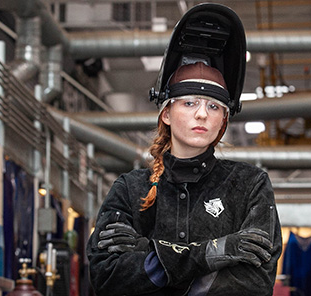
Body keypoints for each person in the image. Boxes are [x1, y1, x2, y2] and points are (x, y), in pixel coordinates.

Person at [86, 3, 282, 296]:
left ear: (223, 120)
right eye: (189, 103)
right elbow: (105, 277)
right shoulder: (130, 189)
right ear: (166, 113)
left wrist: (148, 253)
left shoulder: (249, 185)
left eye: (214, 106)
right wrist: (211, 254)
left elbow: (255, 284)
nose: (202, 114)